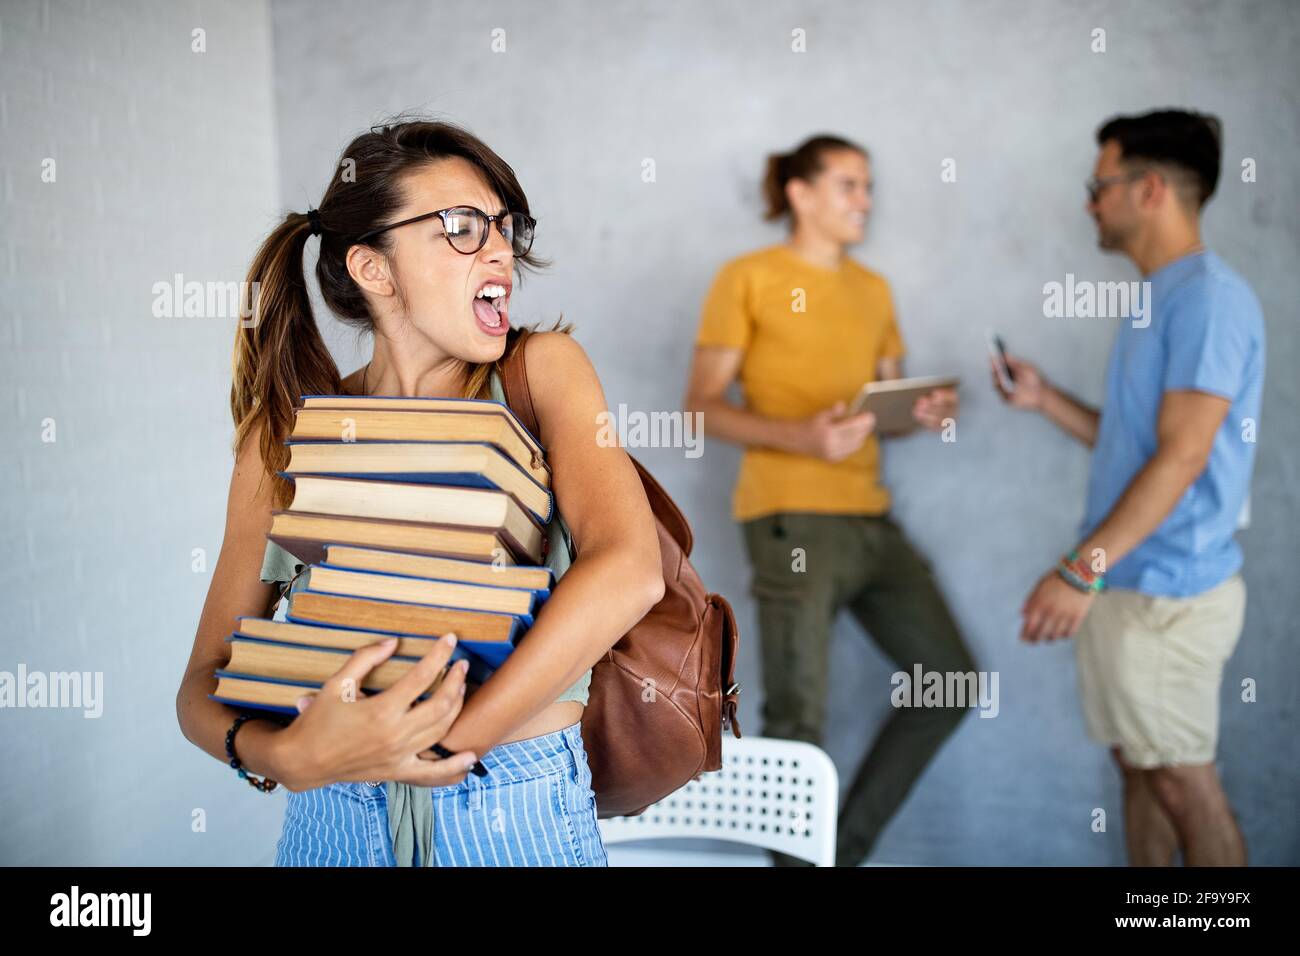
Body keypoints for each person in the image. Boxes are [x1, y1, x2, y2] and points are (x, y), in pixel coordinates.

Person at [175, 118, 664, 866]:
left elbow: (629, 568)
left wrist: (447, 740)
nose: (501, 248)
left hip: (509, 803)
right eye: (463, 227)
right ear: (374, 270)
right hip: (330, 817)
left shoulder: (545, 371)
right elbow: (201, 685)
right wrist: (285, 758)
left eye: (504, 226)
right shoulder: (283, 434)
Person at [684, 134, 976, 867]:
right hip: (789, 519)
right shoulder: (745, 277)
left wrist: (924, 415)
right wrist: (801, 438)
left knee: (948, 681)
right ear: (800, 194)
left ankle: (837, 855)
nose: (865, 201)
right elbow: (700, 409)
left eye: (869, 186)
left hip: (873, 521)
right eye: (848, 184)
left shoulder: (873, 290)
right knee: (797, 720)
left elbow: (883, 411)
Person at [995, 109, 1264, 866]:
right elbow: (1143, 445)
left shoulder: (1207, 299)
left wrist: (1082, 568)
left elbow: (1180, 461)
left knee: (1182, 781)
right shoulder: (1160, 297)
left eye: (1099, 184)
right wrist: (1045, 400)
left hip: (1168, 597)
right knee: (1141, 769)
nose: (1089, 201)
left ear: (1149, 190)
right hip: (1135, 586)